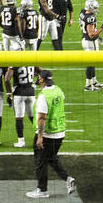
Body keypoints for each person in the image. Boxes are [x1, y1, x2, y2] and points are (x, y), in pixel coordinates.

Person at [26, 70, 76, 199]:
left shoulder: (44, 96)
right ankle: (67, 179)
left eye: (38, 77)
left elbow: (42, 117)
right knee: (51, 158)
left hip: (47, 134)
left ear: (42, 80)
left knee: (40, 161)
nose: (37, 78)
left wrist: (40, 137)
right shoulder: (58, 90)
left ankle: (42, 190)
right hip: (60, 132)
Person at [80, 0, 103, 92]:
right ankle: (88, 85)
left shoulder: (82, 13)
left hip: (86, 40)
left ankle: (94, 82)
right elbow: (91, 34)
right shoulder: (90, 18)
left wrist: (99, 38)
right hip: (90, 42)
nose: (96, 9)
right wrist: (102, 28)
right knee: (91, 63)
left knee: (93, 62)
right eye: (95, 8)